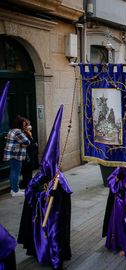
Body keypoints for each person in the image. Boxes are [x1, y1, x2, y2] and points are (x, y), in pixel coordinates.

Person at [17, 106, 71, 270]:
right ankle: (41, 252)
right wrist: (42, 194)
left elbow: (65, 196)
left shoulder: (58, 178)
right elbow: (30, 192)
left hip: (54, 215)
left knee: (54, 235)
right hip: (41, 214)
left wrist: (56, 193)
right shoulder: (39, 176)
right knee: (42, 235)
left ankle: (56, 260)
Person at [3, 115, 31, 196]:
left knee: (13, 171)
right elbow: (27, 142)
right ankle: (15, 191)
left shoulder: (12, 130)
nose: (25, 125)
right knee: (16, 172)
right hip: (16, 154)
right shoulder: (18, 131)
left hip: (12, 154)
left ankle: (14, 189)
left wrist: (22, 144)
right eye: (24, 124)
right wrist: (23, 144)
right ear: (20, 123)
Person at [20, 118, 39, 189]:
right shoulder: (24, 133)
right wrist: (34, 144)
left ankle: (28, 182)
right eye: (28, 125)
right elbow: (28, 144)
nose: (30, 126)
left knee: (28, 170)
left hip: (31, 153)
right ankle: (27, 183)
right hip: (27, 154)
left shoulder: (28, 133)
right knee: (27, 170)